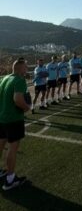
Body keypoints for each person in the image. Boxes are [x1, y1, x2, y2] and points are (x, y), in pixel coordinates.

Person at [0, 58, 31, 190]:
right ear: (19, 68)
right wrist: (26, 108)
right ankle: (10, 180)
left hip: (2, 118)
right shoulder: (19, 80)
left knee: (0, 143)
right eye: (25, 67)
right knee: (13, 148)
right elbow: (18, 99)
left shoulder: (5, 78)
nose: (27, 69)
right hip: (13, 119)